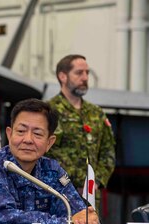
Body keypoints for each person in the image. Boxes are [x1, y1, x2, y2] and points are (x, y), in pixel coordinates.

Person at [0, 99, 100, 224]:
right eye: (21, 131)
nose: (28, 140)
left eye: (37, 134)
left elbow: (81, 216)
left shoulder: (52, 171)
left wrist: (86, 221)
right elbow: (2, 222)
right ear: (9, 134)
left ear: (49, 142)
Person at [46, 54, 116, 209]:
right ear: (63, 76)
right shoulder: (48, 111)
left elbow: (108, 153)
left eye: (87, 73)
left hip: (90, 198)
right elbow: (42, 153)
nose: (85, 77)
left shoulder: (96, 113)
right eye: (79, 73)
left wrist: (95, 181)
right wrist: (70, 181)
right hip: (58, 194)